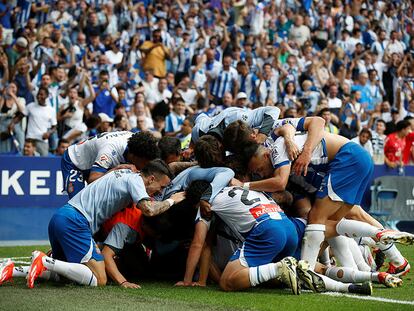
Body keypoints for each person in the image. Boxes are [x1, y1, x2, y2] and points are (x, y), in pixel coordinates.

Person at [25, 160, 185, 288]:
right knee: (99, 279)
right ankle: (45, 260)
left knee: (65, 275)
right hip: (75, 221)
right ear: (151, 179)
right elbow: (149, 210)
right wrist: (172, 200)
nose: (160, 192)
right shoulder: (135, 180)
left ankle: (14, 270)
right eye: (161, 187)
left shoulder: (125, 172)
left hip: (62, 217)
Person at [61, 131, 160, 199]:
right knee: (78, 201)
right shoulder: (109, 150)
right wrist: (116, 169)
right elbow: (93, 180)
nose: (145, 166)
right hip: (75, 161)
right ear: (133, 156)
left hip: (95, 159)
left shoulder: (139, 143)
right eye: (144, 163)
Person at [25, 87, 57, 156]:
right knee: (27, 162)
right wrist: (12, 124)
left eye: (41, 94)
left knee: (44, 164)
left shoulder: (51, 110)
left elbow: (54, 127)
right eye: (38, 94)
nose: (39, 96)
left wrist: (48, 133)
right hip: (30, 139)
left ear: (47, 96)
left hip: (42, 140)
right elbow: (20, 116)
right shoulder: (30, 106)